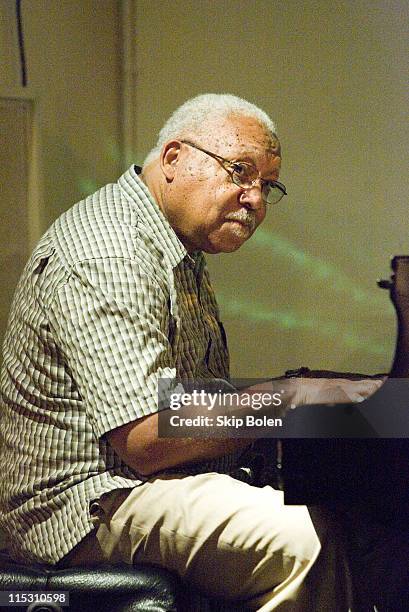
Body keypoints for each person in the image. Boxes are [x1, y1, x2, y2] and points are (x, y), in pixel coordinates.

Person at [0, 94, 379, 610]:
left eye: (267, 185)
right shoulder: (110, 250)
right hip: (80, 506)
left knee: (350, 509)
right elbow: (148, 435)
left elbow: (188, 402)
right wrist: (285, 400)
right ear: (175, 158)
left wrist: (353, 405)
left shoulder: (176, 244)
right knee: (297, 541)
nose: (256, 201)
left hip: (136, 483)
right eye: (240, 172)